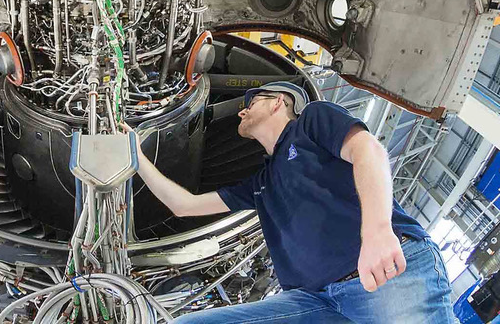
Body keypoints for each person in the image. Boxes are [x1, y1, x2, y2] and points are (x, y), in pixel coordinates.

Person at [127, 81, 455, 323]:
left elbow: (368, 150)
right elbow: (184, 205)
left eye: (251, 101)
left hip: (380, 279)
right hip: (313, 303)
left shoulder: (310, 122)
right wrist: (135, 156)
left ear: (278, 102)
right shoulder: (261, 184)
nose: (241, 109)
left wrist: (378, 231)